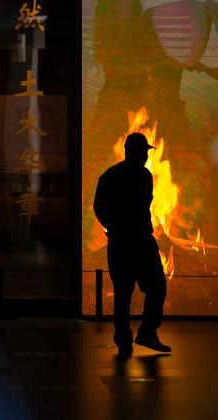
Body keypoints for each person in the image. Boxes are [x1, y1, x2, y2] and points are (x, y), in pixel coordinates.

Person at [93, 133, 171, 357]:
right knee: (156, 286)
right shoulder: (144, 176)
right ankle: (146, 332)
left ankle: (124, 340)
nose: (145, 156)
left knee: (123, 293)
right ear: (135, 152)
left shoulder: (110, 175)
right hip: (141, 241)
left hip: (120, 242)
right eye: (143, 151)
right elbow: (143, 204)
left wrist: (113, 228)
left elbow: (99, 208)